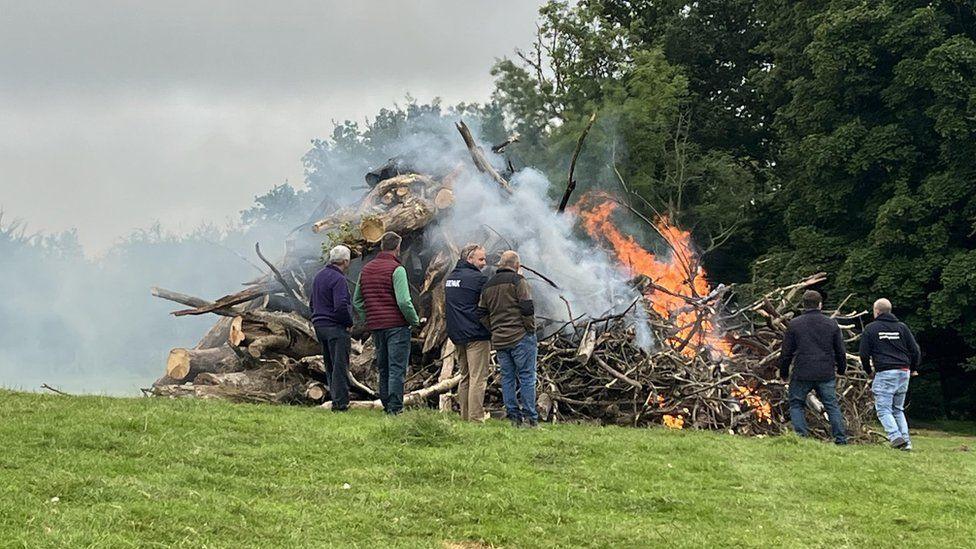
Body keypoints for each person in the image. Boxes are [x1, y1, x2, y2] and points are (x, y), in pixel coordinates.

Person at [353, 232, 419, 415]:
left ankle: (386, 404)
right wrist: (413, 320)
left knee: (383, 367)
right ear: (397, 247)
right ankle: (395, 408)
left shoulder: (365, 269)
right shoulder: (397, 269)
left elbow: (357, 301)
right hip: (397, 327)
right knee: (397, 368)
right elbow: (404, 301)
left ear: (382, 246)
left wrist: (369, 318)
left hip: (377, 327)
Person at [477, 250, 538, 428]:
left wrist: (494, 328)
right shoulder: (519, 282)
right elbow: (527, 308)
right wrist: (530, 329)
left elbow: (481, 313)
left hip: (500, 340)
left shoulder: (488, 285)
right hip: (520, 338)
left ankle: (513, 418)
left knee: (507, 378)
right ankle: (530, 419)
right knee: (527, 377)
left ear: (500, 265)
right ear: (517, 266)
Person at [779, 290, 848, 444]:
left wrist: (783, 372)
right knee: (832, 406)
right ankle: (840, 439)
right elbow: (840, 351)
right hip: (825, 372)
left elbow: (786, 352)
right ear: (820, 304)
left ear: (804, 305)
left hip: (802, 372)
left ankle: (801, 438)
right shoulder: (831, 324)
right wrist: (842, 369)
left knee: (796, 404)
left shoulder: (795, 324)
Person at [859, 298, 921, 451]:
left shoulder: (871, 329)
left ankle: (895, 436)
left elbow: (864, 354)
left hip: (885, 372)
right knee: (897, 409)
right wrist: (913, 368)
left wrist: (869, 372)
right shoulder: (902, 327)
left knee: (883, 409)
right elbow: (915, 350)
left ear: (877, 311)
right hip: (903, 372)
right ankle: (906, 443)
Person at [445, 243, 491, 422]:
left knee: (464, 376)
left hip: (457, 334)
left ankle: (464, 416)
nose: (484, 263)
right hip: (476, 335)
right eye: (481, 259)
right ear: (469, 259)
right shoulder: (479, 279)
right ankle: (476, 418)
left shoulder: (451, 278)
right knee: (478, 378)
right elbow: (486, 306)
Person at [310, 245, 353, 411]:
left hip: (320, 326)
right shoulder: (338, 279)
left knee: (330, 365)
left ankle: (335, 398)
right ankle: (340, 403)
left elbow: (312, 303)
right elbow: (341, 305)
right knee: (340, 366)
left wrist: (316, 318)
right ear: (345, 261)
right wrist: (348, 323)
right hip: (335, 327)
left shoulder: (319, 276)